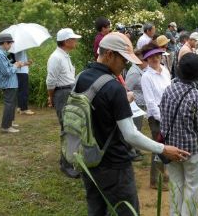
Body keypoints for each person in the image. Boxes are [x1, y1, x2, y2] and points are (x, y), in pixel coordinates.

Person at [75, 33, 189, 216]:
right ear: (110, 54)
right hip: (115, 165)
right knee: (127, 211)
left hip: (89, 157)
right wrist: (163, 149)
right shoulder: (114, 88)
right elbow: (131, 135)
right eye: (123, 59)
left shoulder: (81, 77)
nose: (126, 65)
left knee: (96, 209)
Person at [160, 53, 198, 216]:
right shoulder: (197, 96)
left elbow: (163, 120)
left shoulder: (169, 89)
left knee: (176, 185)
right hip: (191, 150)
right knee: (192, 187)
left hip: (171, 149)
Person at [46, 28, 82, 178]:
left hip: (67, 92)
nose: (75, 41)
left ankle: (68, 160)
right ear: (66, 41)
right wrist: (52, 97)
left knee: (72, 126)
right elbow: (50, 81)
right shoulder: (56, 57)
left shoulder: (64, 56)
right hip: (62, 93)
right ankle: (66, 164)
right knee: (68, 128)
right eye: (73, 39)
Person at [140, 42, 171, 190]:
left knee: (167, 145)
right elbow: (151, 103)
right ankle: (156, 181)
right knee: (158, 147)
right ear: (146, 59)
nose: (155, 58)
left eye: (157, 55)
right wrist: (162, 119)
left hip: (168, 112)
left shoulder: (165, 70)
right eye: (150, 57)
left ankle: (164, 175)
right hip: (156, 117)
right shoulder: (146, 77)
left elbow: (170, 90)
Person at [0, 33, 24, 133]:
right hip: (7, 83)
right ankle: (6, 126)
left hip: (8, 82)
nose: (11, 46)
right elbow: (6, 72)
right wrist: (16, 66)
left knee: (11, 103)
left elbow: (4, 67)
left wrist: (13, 64)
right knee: (9, 104)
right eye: (10, 44)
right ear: (5, 43)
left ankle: (10, 122)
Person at [125, 49, 148, 161]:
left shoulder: (139, 70)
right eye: (145, 60)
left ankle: (135, 149)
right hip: (135, 104)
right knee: (134, 128)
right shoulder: (134, 72)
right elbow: (127, 87)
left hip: (139, 103)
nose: (147, 63)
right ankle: (131, 152)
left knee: (137, 128)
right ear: (140, 61)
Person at [15, 50, 35, 115]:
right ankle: (24, 109)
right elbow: (19, 62)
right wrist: (28, 63)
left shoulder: (16, 49)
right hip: (22, 72)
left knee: (20, 91)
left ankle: (19, 107)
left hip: (18, 72)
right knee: (24, 91)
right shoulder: (20, 49)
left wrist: (28, 61)